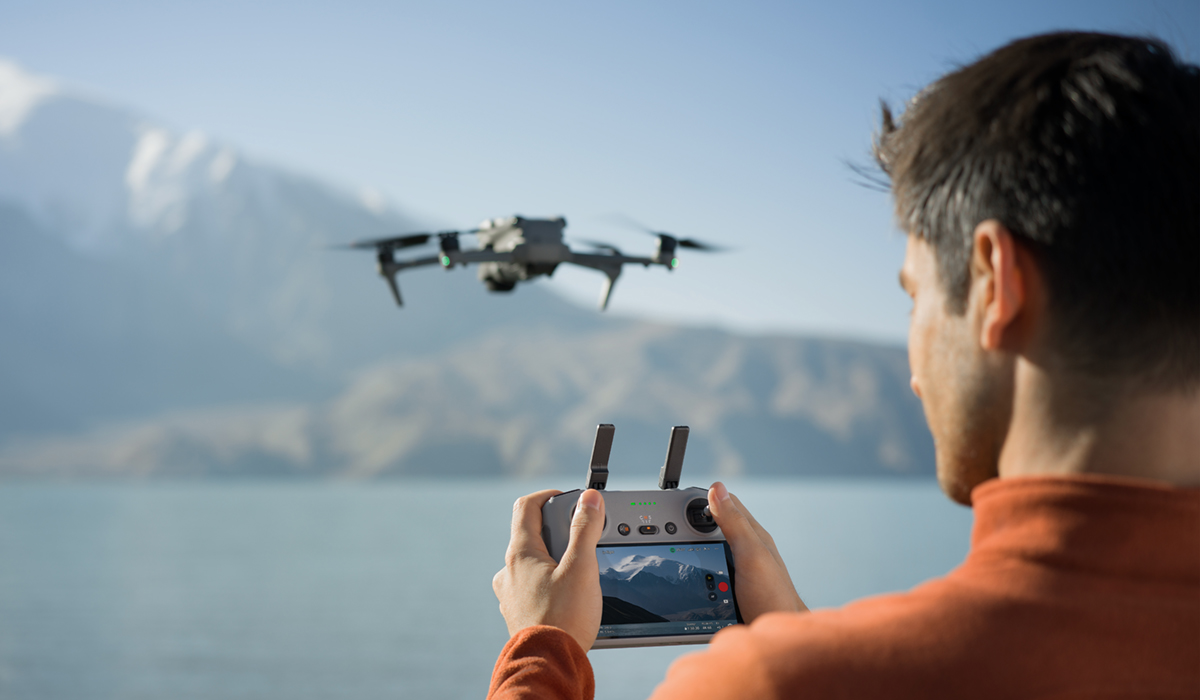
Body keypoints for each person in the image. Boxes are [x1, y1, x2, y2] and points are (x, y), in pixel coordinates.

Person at [487, 31, 1200, 699]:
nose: (914, 373)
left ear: (994, 283)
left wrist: (541, 647)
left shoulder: (768, 683)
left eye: (914, 296)